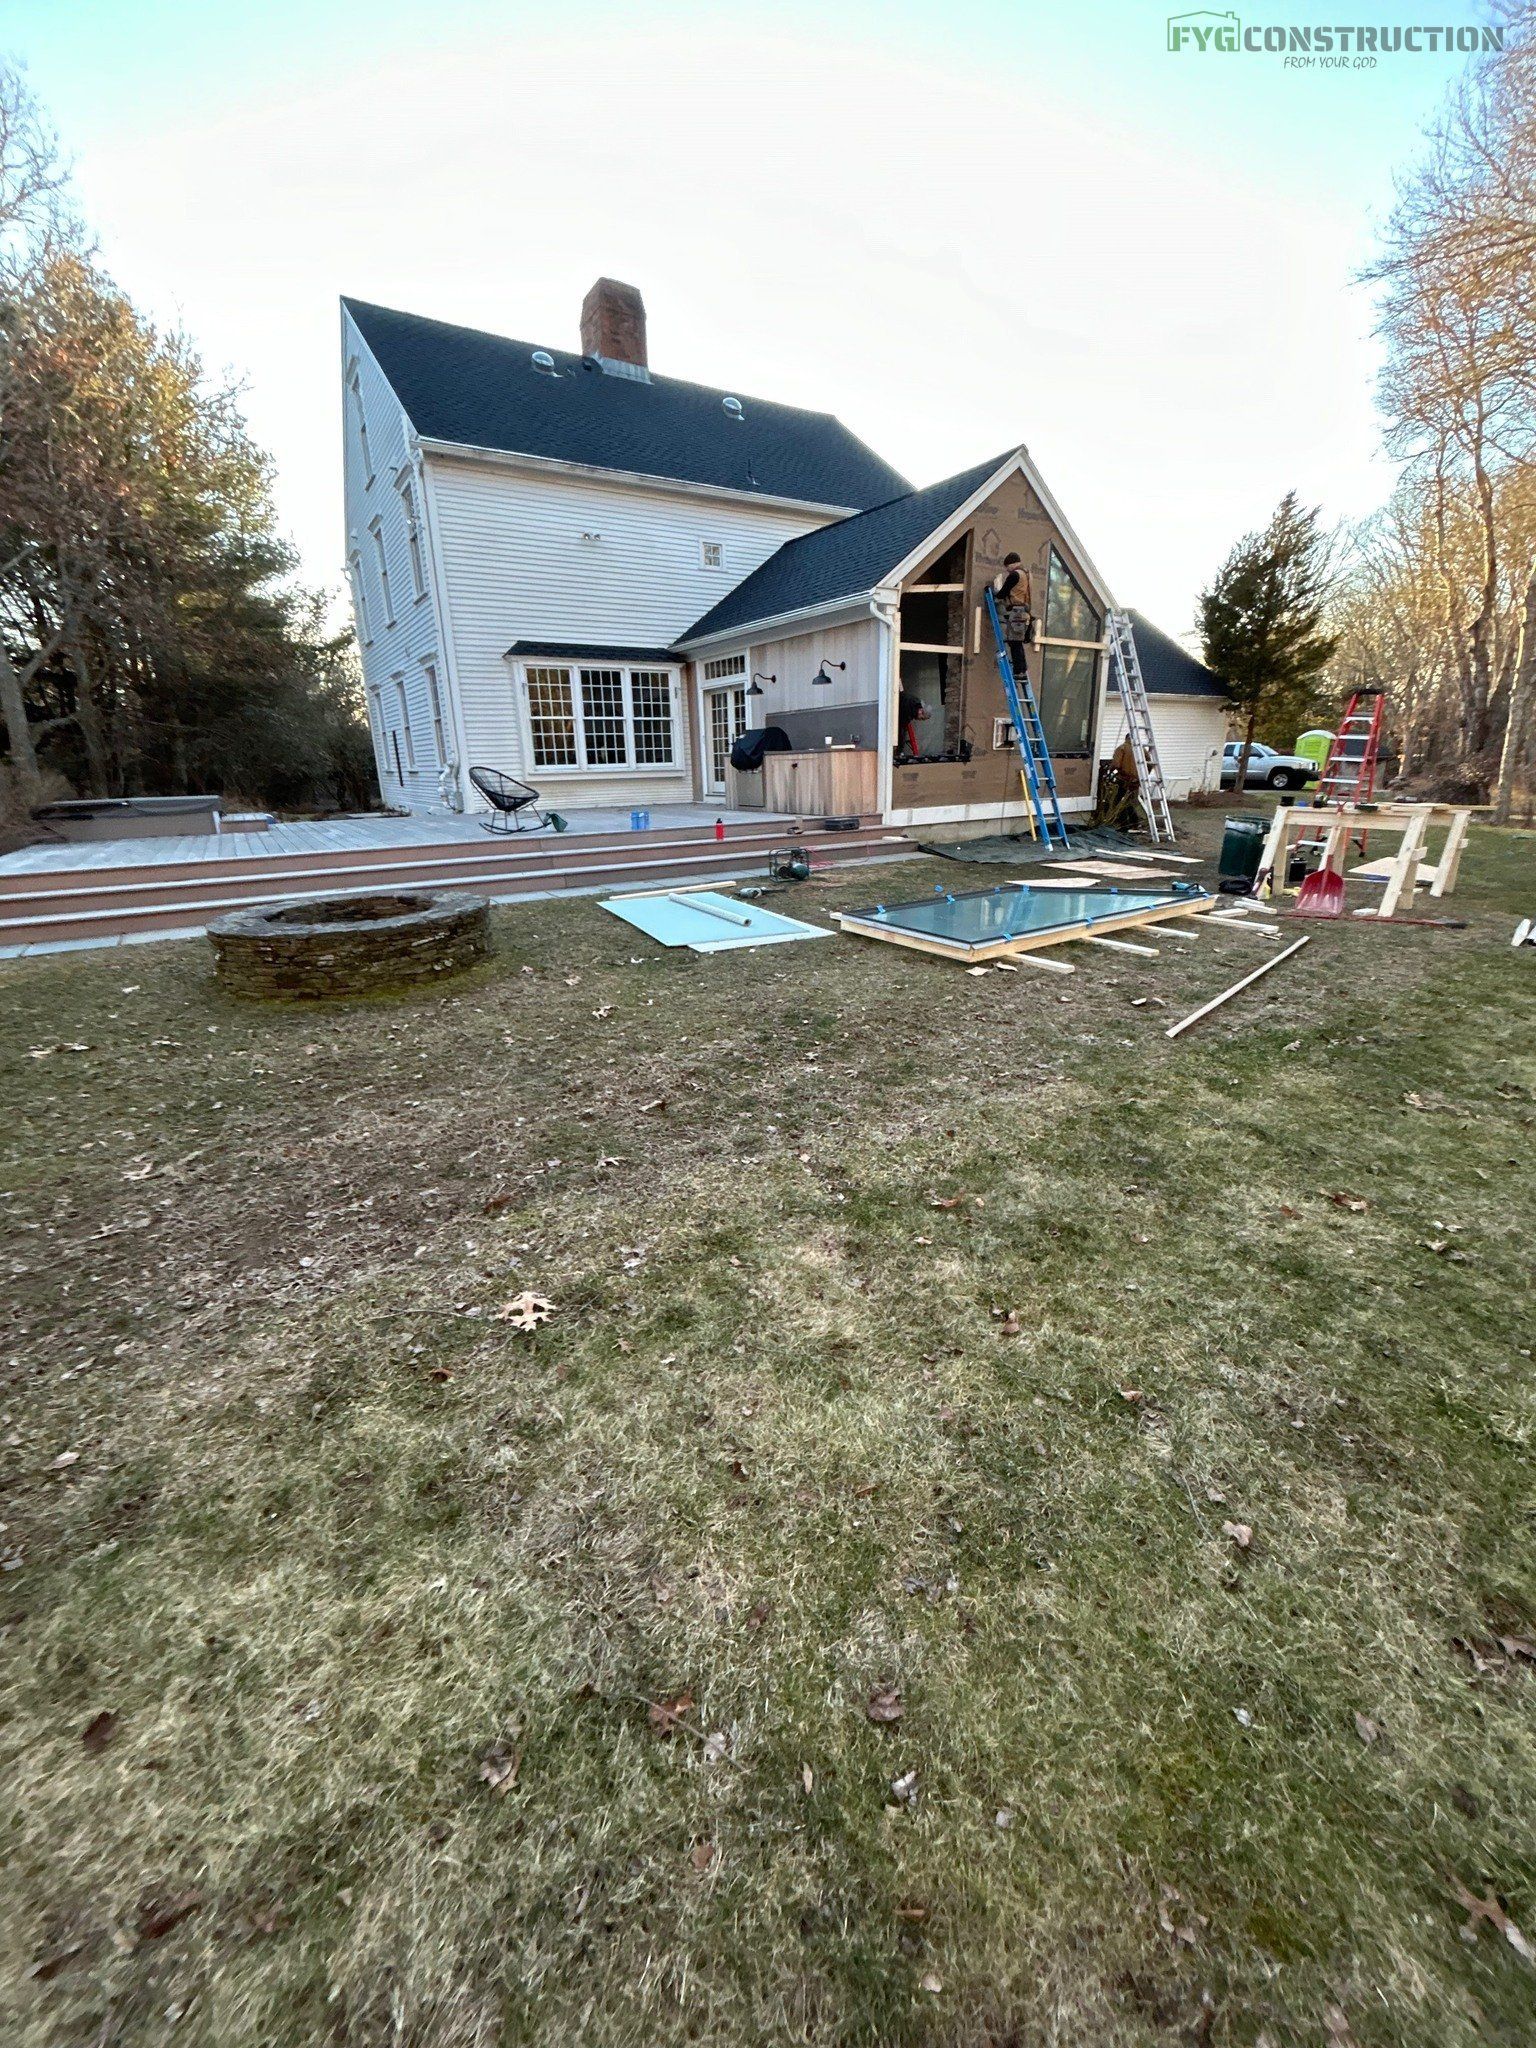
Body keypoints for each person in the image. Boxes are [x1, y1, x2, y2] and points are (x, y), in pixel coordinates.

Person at [991, 553, 1036, 682]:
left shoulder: (1015, 575)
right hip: (1025, 612)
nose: (1007, 570)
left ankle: (1019, 671)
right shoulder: (1027, 574)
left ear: (1012, 563)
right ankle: (1022, 669)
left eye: (1007, 567)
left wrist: (995, 594)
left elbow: (1004, 591)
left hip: (1016, 611)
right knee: (1018, 642)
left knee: (1014, 642)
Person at [896, 684, 930, 761]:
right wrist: (899, 750)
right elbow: (901, 730)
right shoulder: (909, 709)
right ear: (921, 711)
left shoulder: (913, 703)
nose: (918, 720)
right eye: (921, 718)